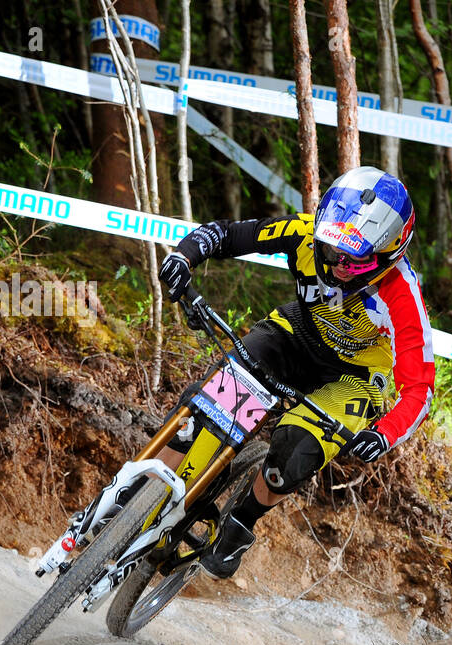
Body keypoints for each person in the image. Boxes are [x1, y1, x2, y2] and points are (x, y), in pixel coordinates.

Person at [158, 165, 436, 579]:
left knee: (291, 455)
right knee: (207, 407)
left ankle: (240, 525)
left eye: (354, 260)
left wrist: (383, 434)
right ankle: (141, 496)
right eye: (331, 251)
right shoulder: (304, 232)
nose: (339, 265)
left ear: (388, 255)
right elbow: (228, 234)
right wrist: (184, 255)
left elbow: (419, 389)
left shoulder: (401, 296)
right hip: (296, 336)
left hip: (353, 377)